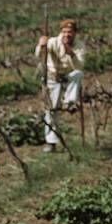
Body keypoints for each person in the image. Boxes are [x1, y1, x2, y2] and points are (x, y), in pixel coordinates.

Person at [36, 18, 85, 152]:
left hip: (68, 76)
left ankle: (70, 102)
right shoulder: (52, 42)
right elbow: (39, 55)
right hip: (53, 77)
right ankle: (51, 143)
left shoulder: (79, 45)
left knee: (78, 74)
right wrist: (41, 46)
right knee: (52, 109)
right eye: (64, 31)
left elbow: (79, 65)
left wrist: (70, 52)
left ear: (75, 33)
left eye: (70, 32)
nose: (67, 35)